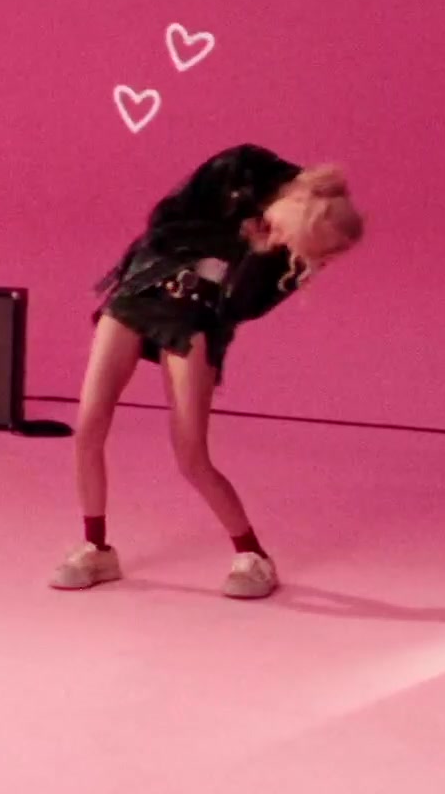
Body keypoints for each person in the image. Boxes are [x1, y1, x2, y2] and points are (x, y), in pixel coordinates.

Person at [50, 143, 364, 599]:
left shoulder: (286, 253)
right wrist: (239, 237)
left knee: (191, 455)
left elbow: (242, 307)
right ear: (299, 211)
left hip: (195, 319)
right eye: (290, 235)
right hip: (141, 289)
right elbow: (168, 221)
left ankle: (253, 555)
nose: (286, 244)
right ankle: (95, 548)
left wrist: (259, 251)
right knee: (89, 426)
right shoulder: (244, 169)